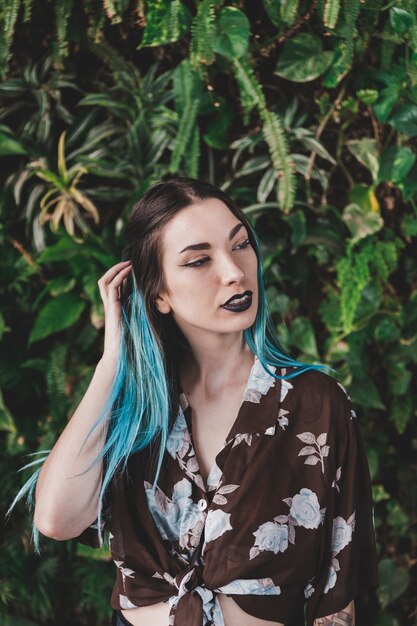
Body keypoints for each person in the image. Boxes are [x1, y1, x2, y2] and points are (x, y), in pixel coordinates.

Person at [11, 176, 378, 626]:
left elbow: (339, 587)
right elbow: (56, 520)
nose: (234, 272)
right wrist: (113, 360)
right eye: (199, 260)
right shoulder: (134, 411)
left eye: (240, 245)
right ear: (159, 294)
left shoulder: (316, 405)